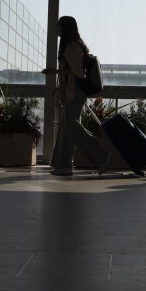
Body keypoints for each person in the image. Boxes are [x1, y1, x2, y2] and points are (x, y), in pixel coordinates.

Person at [42, 16, 111, 176]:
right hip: (71, 91)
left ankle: (101, 155)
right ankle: (63, 164)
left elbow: (77, 71)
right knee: (66, 127)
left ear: (65, 27)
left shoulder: (72, 45)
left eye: (59, 24)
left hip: (76, 92)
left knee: (71, 125)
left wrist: (56, 72)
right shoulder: (72, 44)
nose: (56, 26)